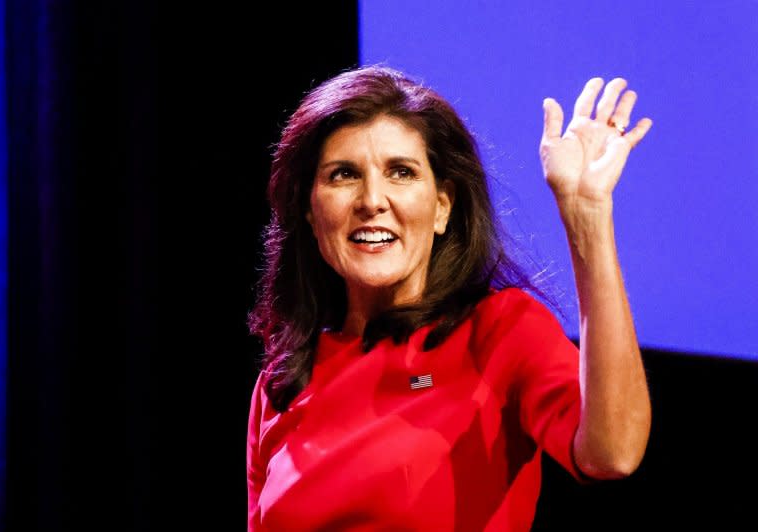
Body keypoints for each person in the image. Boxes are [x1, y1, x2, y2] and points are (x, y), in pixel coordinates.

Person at [246, 65, 652, 531]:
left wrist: (588, 218)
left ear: (443, 207)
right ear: (310, 209)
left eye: (401, 172)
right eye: (343, 175)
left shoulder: (501, 331)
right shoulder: (281, 381)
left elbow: (613, 452)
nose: (372, 200)